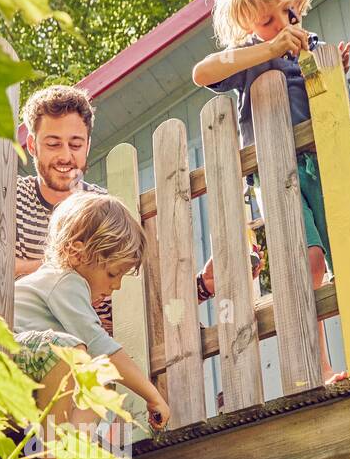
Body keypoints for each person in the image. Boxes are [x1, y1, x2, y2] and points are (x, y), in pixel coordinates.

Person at [192, 0, 350, 383]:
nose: (283, 28)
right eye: (267, 21)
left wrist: (333, 70)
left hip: (321, 162)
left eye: (289, 14)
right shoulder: (248, 55)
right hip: (276, 173)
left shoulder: (309, 45)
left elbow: (332, 103)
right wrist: (266, 49)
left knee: (347, 252)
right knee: (307, 260)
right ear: (248, 23)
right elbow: (202, 73)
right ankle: (319, 367)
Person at [16, 85, 217, 334]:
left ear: (88, 145)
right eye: (54, 144)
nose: (65, 156)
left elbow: (137, 297)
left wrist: (202, 286)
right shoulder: (11, 201)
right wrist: (79, 268)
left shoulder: (104, 209)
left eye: (76, 144)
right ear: (33, 145)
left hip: (98, 351)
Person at [13, 190, 170, 459]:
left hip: (39, 372)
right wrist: (152, 395)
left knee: (100, 380)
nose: (116, 286)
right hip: (8, 357)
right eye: (113, 273)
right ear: (77, 252)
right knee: (76, 352)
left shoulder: (71, 287)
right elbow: (104, 350)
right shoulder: (65, 281)